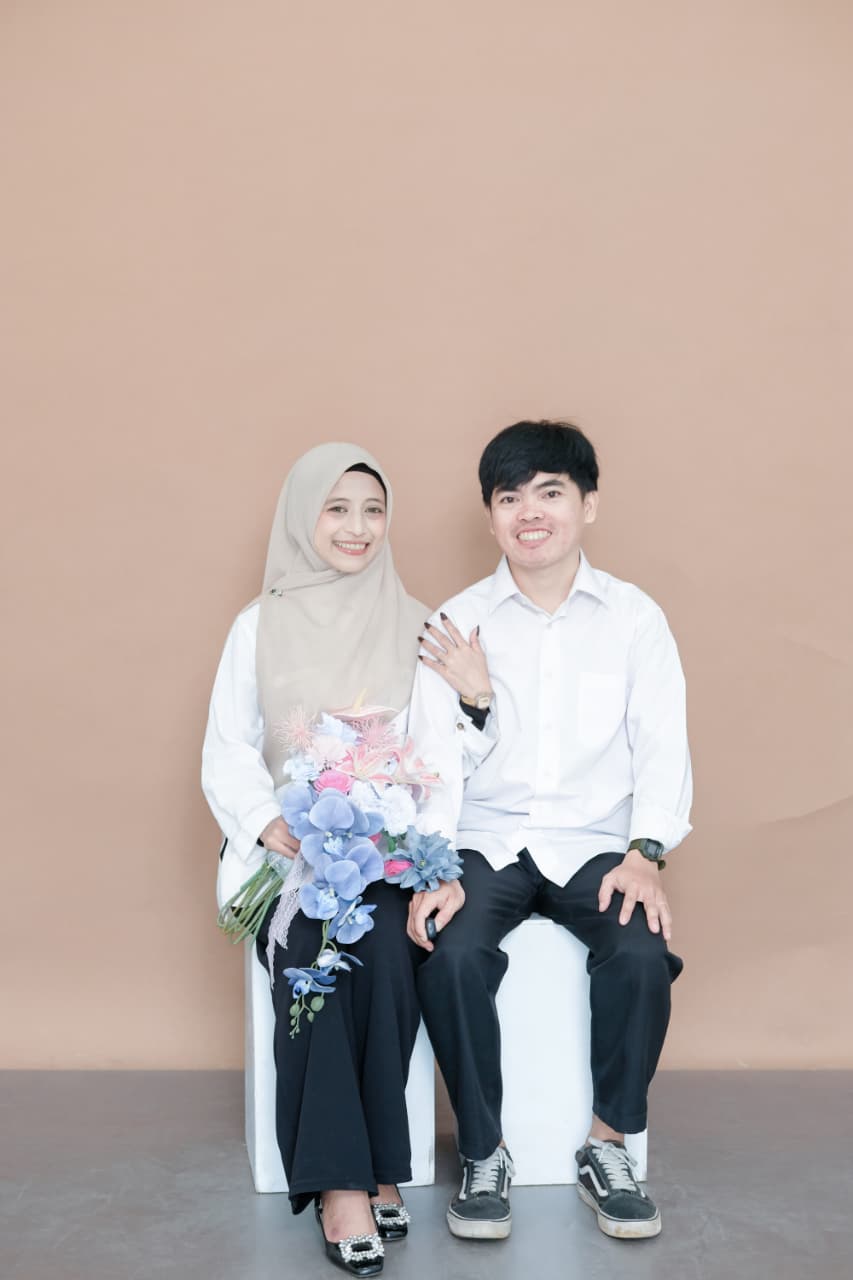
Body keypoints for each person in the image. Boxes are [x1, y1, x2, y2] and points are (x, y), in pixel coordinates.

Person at [405, 420, 692, 1243]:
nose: (529, 513)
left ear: (587, 505)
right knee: (451, 953)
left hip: (594, 841)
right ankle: (483, 1151)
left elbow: (661, 743)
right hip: (485, 839)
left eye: (550, 493)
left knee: (640, 952)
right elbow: (431, 759)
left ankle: (608, 1146)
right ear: (490, 516)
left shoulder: (634, 618)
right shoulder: (457, 621)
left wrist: (644, 854)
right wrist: (435, 865)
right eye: (509, 497)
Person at [202, 443, 464, 1277]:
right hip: (288, 856)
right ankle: (340, 1185)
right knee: (313, 954)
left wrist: (412, 842)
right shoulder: (259, 624)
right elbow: (228, 746)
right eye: (337, 509)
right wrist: (264, 822)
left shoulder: (415, 623)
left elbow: (438, 756)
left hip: (384, 857)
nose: (357, 527)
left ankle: (382, 1163)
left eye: (373, 510)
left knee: (386, 952)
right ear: (302, 517)